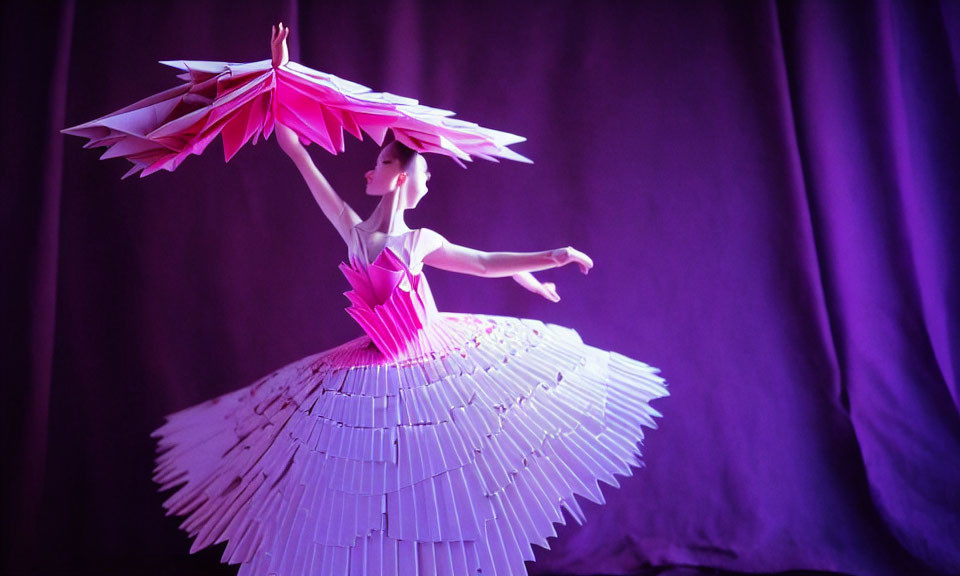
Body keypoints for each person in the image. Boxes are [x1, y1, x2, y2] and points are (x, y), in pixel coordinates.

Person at [150, 23, 667, 576]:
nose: (378, 170)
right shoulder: (354, 232)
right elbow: (295, 150)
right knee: (372, 486)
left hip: (436, 365)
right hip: (368, 374)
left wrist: (550, 259)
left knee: (439, 479)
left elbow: (487, 264)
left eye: (391, 164)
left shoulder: (420, 241)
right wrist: (279, 75)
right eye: (403, 168)